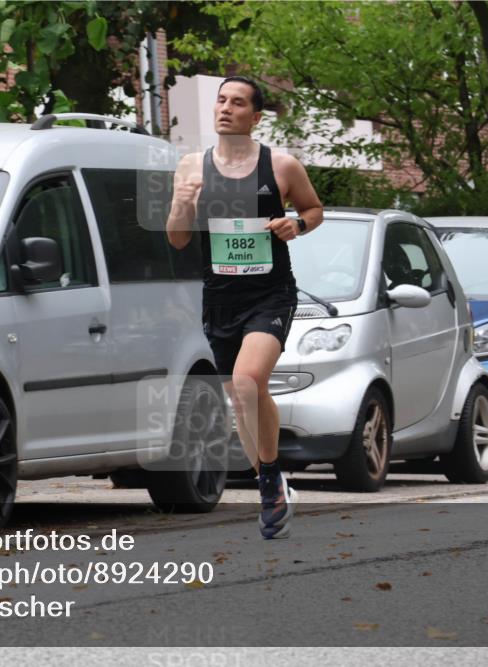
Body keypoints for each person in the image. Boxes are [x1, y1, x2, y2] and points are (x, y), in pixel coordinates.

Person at [166, 75, 323, 539]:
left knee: (247, 380)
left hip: (270, 293)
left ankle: (270, 476)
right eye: (220, 100)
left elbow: (314, 210)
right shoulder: (192, 167)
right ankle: (271, 481)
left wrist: (297, 224)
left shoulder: (282, 166)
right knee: (241, 399)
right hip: (220, 296)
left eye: (237, 103)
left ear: (255, 118)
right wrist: (179, 205)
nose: (225, 108)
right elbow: (177, 238)